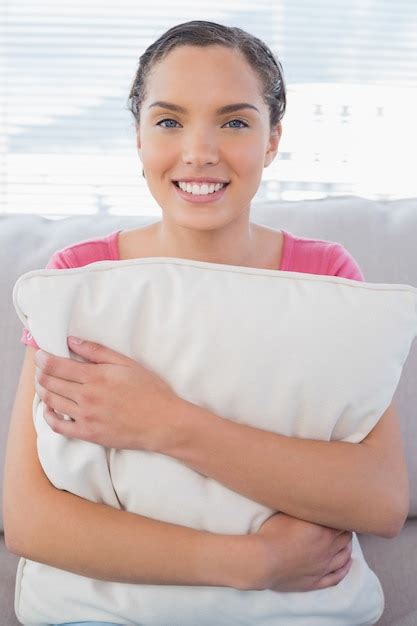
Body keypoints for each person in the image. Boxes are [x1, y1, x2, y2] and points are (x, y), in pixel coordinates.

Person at [3, 20, 409, 626]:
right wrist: (251, 562)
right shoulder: (76, 279)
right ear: (138, 138)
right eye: (169, 121)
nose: (199, 150)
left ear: (272, 140)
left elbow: (380, 501)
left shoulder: (324, 275)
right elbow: (29, 519)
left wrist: (166, 423)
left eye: (235, 121)